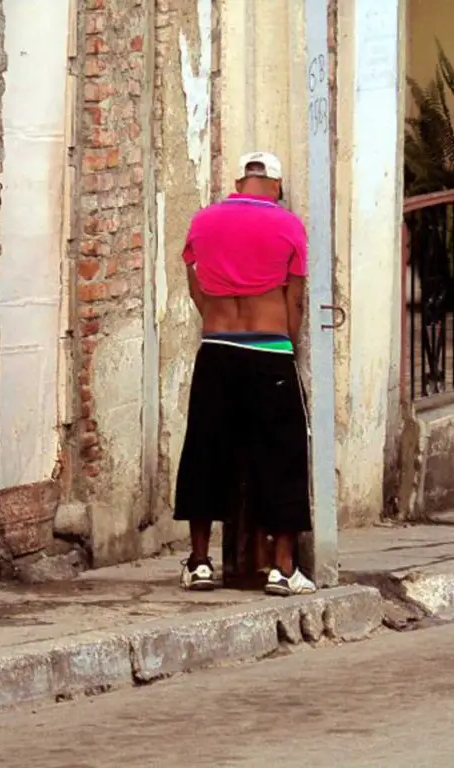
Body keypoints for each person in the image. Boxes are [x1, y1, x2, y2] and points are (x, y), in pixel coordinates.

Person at [174, 150, 316, 597]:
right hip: (269, 350)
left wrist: (213, 315)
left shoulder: (204, 221)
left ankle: (199, 562)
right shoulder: (288, 225)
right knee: (283, 455)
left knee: (205, 451)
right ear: (274, 185)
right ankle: (283, 568)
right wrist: (287, 340)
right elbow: (294, 299)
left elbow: (194, 281)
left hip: (216, 347)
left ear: (240, 182)